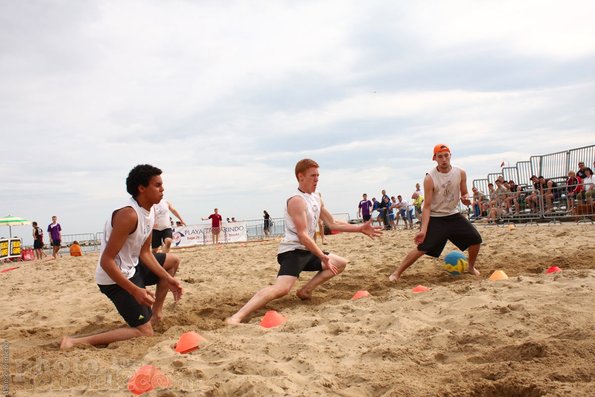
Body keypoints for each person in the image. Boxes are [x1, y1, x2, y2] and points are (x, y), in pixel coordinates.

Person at [227, 159, 382, 324]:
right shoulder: (296, 200)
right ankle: (237, 316)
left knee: (340, 263)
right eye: (312, 176)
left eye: (318, 175)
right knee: (282, 289)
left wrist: (359, 228)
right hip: (293, 251)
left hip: (309, 250)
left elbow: (332, 223)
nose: (316, 179)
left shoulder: (317, 197)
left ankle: (305, 291)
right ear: (300, 177)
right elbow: (302, 235)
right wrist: (322, 256)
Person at [60, 164, 183, 349]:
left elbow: (145, 252)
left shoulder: (150, 212)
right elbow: (106, 261)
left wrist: (168, 279)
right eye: (157, 185)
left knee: (172, 261)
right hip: (114, 278)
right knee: (145, 333)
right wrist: (135, 290)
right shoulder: (128, 214)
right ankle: (74, 342)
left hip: (132, 267)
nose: (162, 189)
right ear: (141, 188)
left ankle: (156, 314)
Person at [389, 144, 482, 283]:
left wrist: (466, 199)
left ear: (450, 156)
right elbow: (426, 206)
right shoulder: (430, 178)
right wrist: (423, 230)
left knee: (476, 239)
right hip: (436, 217)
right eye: (440, 156)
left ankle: (470, 267)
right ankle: (396, 273)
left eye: (446, 155)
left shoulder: (460, 173)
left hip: (453, 215)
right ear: (435, 158)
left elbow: (465, 193)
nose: (444, 159)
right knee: (422, 248)